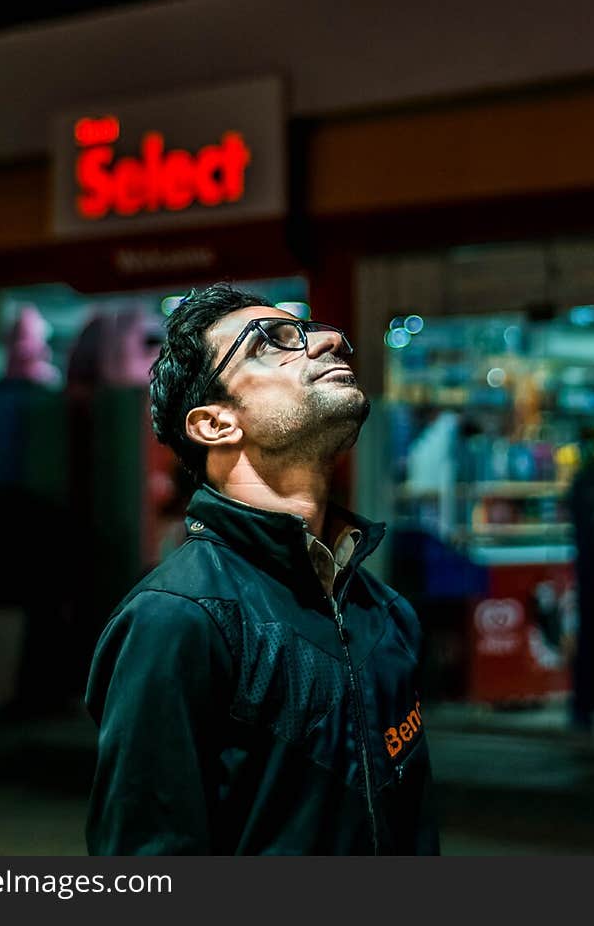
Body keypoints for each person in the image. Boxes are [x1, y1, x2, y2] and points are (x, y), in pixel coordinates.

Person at [85, 283, 440, 855]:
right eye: (270, 343)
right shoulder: (177, 620)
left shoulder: (384, 612)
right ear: (215, 424)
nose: (326, 342)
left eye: (317, 332)